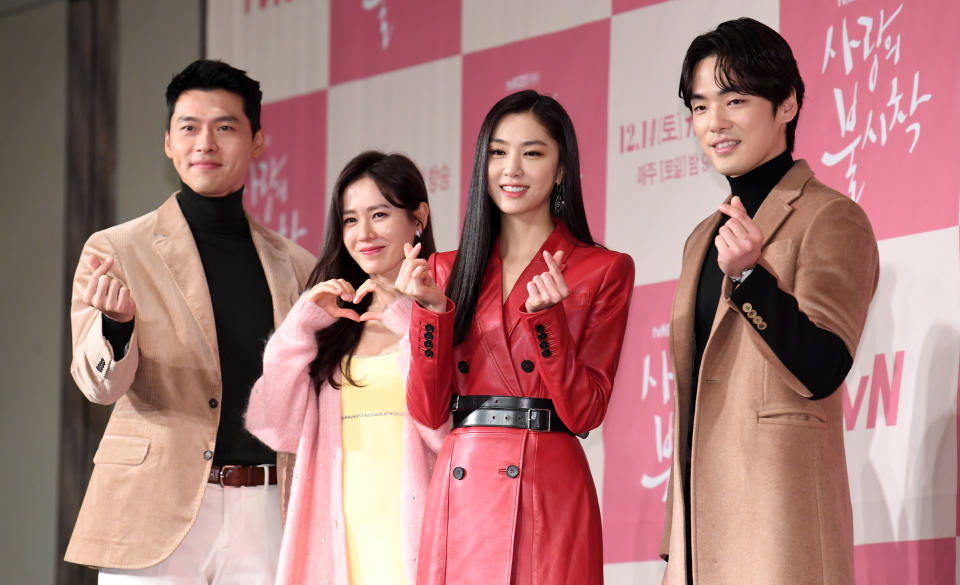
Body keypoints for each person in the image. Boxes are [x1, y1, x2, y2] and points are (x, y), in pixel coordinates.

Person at [65, 59, 316, 584]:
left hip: (268, 506)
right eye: (189, 127)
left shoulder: (297, 265)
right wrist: (116, 327)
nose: (205, 142)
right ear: (168, 143)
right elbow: (98, 385)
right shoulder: (116, 250)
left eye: (225, 127)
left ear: (257, 141)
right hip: (155, 505)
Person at [659, 18, 880, 585]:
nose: (715, 124)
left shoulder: (831, 216)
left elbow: (824, 366)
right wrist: (676, 541)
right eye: (700, 106)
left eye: (735, 100)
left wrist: (754, 277)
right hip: (699, 538)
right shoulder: (701, 237)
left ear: (787, 104)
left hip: (780, 528)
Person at [395, 90, 635, 584]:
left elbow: (585, 411)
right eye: (499, 152)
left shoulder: (603, 269)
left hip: (548, 483)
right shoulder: (445, 269)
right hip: (463, 487)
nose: (512, 169)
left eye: (532, 153)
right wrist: (430, 312)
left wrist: (547, 323)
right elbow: (426, 410)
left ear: (562, 167)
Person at [245, 151, 447, 585]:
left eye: (379, 214)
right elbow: (273, 425)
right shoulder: (333, 328)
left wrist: (405, 315)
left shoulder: (443, 313)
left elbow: (444, 430)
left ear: (419, 217)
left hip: (419, 540)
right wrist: (301, 324)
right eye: (351, 220)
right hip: (337, 547)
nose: (364, 233)